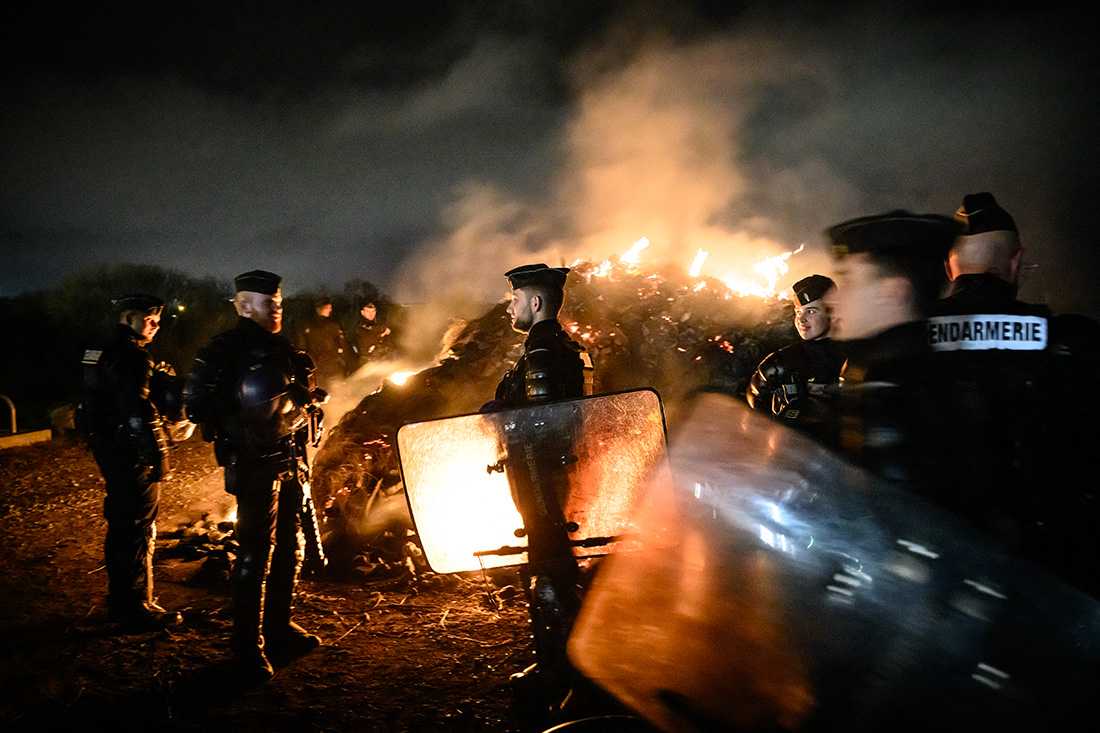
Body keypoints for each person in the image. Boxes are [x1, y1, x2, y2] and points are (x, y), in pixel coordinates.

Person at [927, 192, 1100, 594]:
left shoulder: (906, 346)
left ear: (949, 268)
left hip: (944, 579)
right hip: (1057, 580)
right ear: (1017, 261)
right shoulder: (1077, 342)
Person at [183, 270, 327, 682]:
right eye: (269, 302)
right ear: (244, 305)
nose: (277, 308)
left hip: (290, 460)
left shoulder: (282, 348)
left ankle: (279, 630)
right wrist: (241, 420)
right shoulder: (221, 352)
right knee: (254, 554)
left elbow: (298, 400)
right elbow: (195, 406)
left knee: (289, 548)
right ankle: (247, 648)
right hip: (251, 464)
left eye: (280, 301)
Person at [822, 209, 960, 484]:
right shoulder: (920, 376)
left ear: (893, 293)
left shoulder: (889, 397)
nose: (831, 298)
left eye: (847, 280)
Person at [79, 293, 182, 630]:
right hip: (129, 451)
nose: (155, 327)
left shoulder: (96, 351)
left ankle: (123, 601)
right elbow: (137, 411)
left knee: (122, 521)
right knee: (137, 525)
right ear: (129, 317)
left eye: (158, 322)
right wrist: (158, 457)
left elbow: (94, 397)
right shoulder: (134, 356)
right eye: (149, 321)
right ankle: (135, 607)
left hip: (105, 445)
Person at [482, 264, 588, 412]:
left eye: (515, 299)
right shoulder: (566, 346)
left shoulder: (542, 351)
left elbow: (541, 421)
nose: (509, 308)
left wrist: (505, 414)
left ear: (535, 303)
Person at [746, 274, 845, 424]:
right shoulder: (780, 362)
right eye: (798, 312)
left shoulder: (853, 360)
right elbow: (755, 397)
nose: (801, 319)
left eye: (811, 311)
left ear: (832, 314)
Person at [299, 297, 350, 391]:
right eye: (328, 308)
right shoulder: (329, 326)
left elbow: (342, 346)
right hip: (323, 366)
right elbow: (302, 346)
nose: (330, 310)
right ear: (321, 309)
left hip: (327, 366)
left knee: (330, 388)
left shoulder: (332, 325)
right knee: (327, 388)